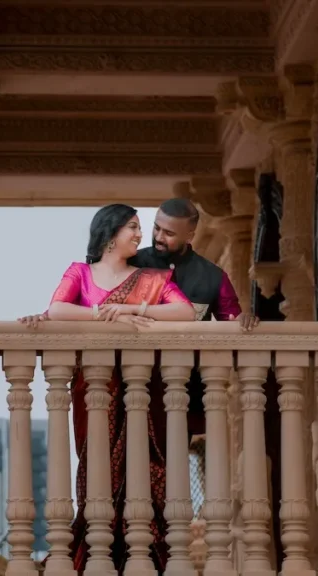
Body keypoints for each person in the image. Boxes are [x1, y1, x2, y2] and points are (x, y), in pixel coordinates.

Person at [18, 204, 201, 574]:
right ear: (109, 232)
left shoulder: (153, 278)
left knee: (148, 465)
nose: (139, 234)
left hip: (143, 387)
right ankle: (96, 551)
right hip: (95, 386)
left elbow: (185, 313)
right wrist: (108, 312)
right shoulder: (80, 272)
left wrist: (139, 309)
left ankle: (147, 553)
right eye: (132, 227)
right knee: (97, 465)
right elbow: (57, 310)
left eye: (139, 228)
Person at [131, 197, 258, 329]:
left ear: (189, 237)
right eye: (157, 228)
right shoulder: (131, 263)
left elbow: (232, 319)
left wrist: (244, 319)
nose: (159, 237)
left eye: (169, 233)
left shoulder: (213, 277)